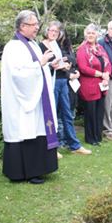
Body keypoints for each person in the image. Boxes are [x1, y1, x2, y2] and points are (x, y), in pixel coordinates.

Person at [1, 10, 60, 185]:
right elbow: (18, 74)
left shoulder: (32, 44)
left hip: (36, 98)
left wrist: (49, 66)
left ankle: (38, 168)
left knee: (37, 130)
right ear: (22, 26)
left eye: (36, 24)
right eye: (33, 25)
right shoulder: (13, 47)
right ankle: (25, 171)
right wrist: (40, 64)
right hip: (22, 101)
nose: (36, 28)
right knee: (26, 132)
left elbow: (37, 67)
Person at [39, 21, 91, 156]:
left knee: (67, 114)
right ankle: (52, 147)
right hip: (52, 82)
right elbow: (42, 65)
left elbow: (66, 61)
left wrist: (66, 67)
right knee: (52, 115)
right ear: (46, 31)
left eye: (56, 31)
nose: (54, 33)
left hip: (63, 81)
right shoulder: (40, 46)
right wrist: (57, 65)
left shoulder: (56, 45)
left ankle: (74, 145)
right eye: (52, 30)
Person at [77, 24, 111, 146]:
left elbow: (108, 63)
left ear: (97, 35)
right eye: (89, 33)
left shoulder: (100, 48)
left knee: (99, 111)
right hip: (89, 85)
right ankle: (90, 138)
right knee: (90, 112)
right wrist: (101, 74)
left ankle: (98, 136)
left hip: (101, 85)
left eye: (93, 33)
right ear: (86, 34)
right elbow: (83, 68)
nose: (91, 35)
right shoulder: (82, 49)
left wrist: (106, 76)